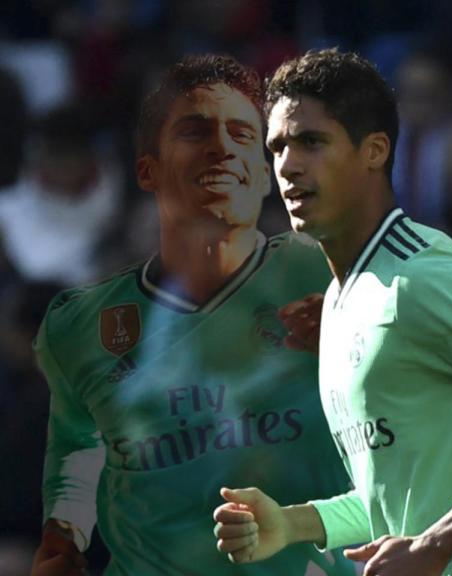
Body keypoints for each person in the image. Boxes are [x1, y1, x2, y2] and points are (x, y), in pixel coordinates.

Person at [211, 49, 452, 576]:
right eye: (277, 146)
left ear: (374, 150)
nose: (287, 165)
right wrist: (293, 523)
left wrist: (436, 546)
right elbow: (400, 501)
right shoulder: (339, 300)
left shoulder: (423, 275)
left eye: (311, 141)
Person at [32, 54, 355, 576]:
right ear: (148, 170)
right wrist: (62, 535)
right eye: (194, 131)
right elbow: (77, 448)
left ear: (266, 173)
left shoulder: (338, 274)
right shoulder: (80, 324)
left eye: (243, 135)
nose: (221, 149)